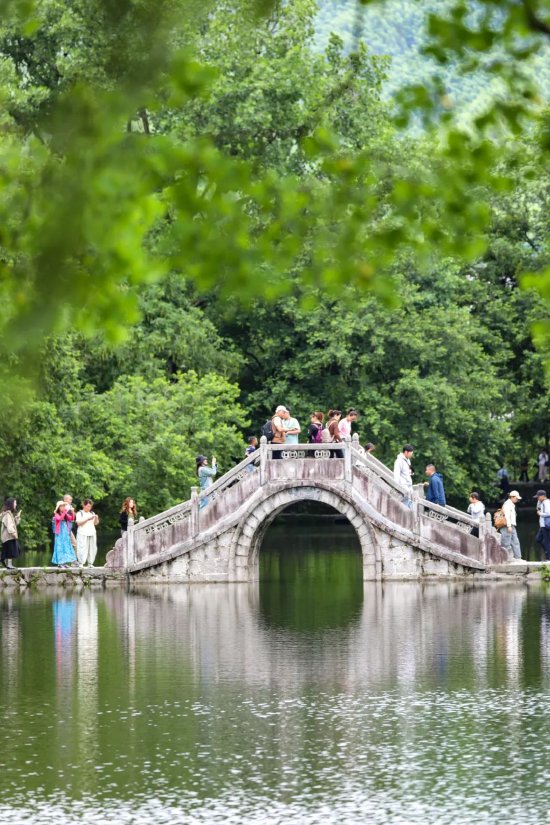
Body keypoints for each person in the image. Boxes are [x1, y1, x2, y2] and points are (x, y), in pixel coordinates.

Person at [51, 501, 77, 568]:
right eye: (61, 506)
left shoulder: (64, 514)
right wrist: (65, 512)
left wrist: (72, 512)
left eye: (63, 506)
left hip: (65, 533)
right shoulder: (56, 514)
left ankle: (64, 562)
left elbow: (71, 519)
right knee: (60, 547)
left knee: (65, 547)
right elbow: (60, 518)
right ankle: (60, 563)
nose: (63, 507)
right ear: (58, 507)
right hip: (59, 533)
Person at [76, 499, 99, 567]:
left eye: (90, 506)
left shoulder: (92, 513)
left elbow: (95, 523)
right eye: (88, 506)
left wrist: (96, 518)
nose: (89, 508)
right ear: (84, 505)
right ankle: (81, 563)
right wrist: (87, 519)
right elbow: (78, 523)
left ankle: (90, 563)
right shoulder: (79, 513)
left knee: (92, 548)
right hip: (82, 533)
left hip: (92, 532)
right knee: (82, 548)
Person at [500, 490, 522, 560]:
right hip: (507, 526)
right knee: (506, 543)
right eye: (516, 498)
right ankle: (506, 558)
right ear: (512, 497)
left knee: (515, 541)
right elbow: (507, 516)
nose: (517, 500)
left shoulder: (511, 504)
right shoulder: (507, 504)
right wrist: (509, 526)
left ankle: (518, 557)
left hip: (511, 525)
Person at [1, 497, 22, 570]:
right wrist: (14, 534)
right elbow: (10, 527)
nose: (16, 504)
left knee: (10, 550)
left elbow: (14, 525)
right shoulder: (7, 515)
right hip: (8, 536)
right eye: (15, 503)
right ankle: (8, 564)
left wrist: (17, 517)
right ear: (11, 504)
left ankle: (7, 563)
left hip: (8, 536)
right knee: (11, 551)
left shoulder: (9, 514)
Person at [534, 489, 550, 562]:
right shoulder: (542, 502)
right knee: (538, 539)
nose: (537, 498)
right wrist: (539, 502)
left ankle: (549, 558)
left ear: (543, 496)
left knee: (547, 541)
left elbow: (549, 513)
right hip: (542, 525)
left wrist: (540, 514)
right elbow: (538, 508)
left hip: (546, 525)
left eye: (538, 497)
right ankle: (547, 551)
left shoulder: (547, 502)